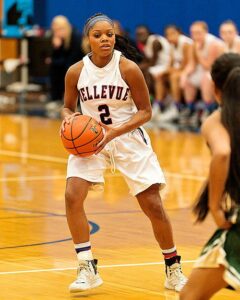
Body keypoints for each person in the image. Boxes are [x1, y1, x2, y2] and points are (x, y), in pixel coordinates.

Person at [61, 13, 187, 293]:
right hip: (91, 140)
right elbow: (68, 106)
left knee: (153, 204)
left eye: (110, 34)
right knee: (72, 196)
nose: (105, 39)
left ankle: (173, 268)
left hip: (127, 136)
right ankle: (86, 266)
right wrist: (69, 119)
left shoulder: (128, 68)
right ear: (88, 40)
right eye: (98, 35)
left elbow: (146, 112)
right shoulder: (76, 72)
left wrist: (113, 133)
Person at [180, 52, 240, 300]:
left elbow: (222, 153)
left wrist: (214, 206)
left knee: (190, 296)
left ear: (215, 89)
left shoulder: (217, 120)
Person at [180, 21, 224, 126]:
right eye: (193, 33)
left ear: (206, 32)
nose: (195, 36)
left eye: (198, 33)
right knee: (188, 80)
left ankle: (209, 109)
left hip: (216, 71)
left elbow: (208, 66)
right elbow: (191, 64)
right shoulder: (193, 43)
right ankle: (190, 109)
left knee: (206, 78)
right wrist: (184, 75)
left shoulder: (213, 44)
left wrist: (198, 51)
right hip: (203, 70)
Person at [46, 15, 84, 117]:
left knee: (60, 68)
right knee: (54, 69)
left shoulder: (76, 37)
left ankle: (78, 102)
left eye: (60, 29)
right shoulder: (57, 39)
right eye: (55, 30)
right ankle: (56, 98)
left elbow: (71, 61)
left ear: (66, 27)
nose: (57, 32)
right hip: (65, 66)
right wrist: (56, 47)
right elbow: (53, 58)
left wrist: (54, 60)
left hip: (77, 66)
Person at [157, 25, 192, 123]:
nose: (169, 36)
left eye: (172, 33)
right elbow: (170, 64)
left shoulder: (186, 44)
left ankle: (176, 107)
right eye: (167, 34)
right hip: (179, 70)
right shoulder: (172, 45)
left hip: (190, 71)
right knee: (160, 76)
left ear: (179, 33)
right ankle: (158, 106)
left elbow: (186, 65)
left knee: (174, 77)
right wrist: (164, 71)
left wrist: (170, 71)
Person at [135, 25, 171, 119]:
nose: (140, 37)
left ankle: (153, 101)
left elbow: (152, 62)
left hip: (166, 66)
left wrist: (136, 67)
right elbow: (146, 61)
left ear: (148, 33)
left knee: (147, 72)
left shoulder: (155, 41)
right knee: (141, 71)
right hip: (158, 67)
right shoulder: (145, 44)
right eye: (138, 34)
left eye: (142, 34)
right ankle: (150, 100)